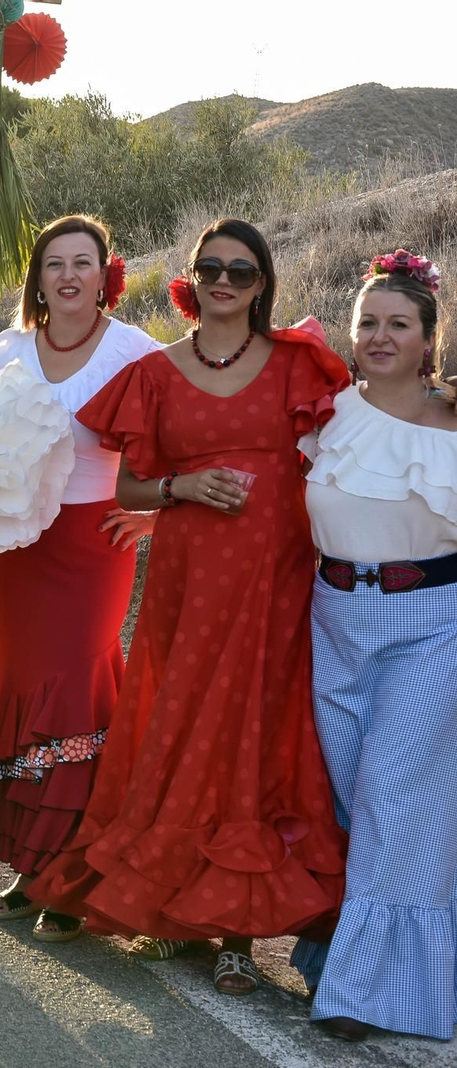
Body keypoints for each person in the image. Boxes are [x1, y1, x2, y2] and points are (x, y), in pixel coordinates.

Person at [29, 219, 351, 996]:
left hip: (274, 584)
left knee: (254, 737)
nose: (225, 282)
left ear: (263, 284)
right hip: (186, 584)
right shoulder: (157, 372)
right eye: (212, 268)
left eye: (241, 272)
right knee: (178, 730)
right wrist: (181, 487)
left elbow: (356, 440)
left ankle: (239, 934)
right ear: (192, 277)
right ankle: (174, 910)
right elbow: (130, 486)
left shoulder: (296, 365)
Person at [0, 215, 159, 943]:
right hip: (17, 549)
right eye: (53, 263)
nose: (67, 275)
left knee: (79, 693)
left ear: (105, 275)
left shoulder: (138, 352)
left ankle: (77, 879)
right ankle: (36, 870)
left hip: (95, 542)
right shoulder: (6, 352)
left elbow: (189, 436)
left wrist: (157, 514)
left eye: (82, 262)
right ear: (37, 278)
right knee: (22, 692)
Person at [290, 251, 456, 1042]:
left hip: (433, 622)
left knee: (395, 798)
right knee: (357, 800)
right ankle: (358, 958)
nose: (381, 336)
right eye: (369, 323)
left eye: (400, 324)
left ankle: (366, 992)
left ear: (430, 337)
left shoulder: (455, 418)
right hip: (333, 616)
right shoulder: (327, 411)